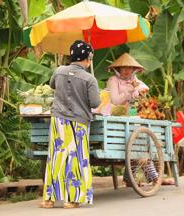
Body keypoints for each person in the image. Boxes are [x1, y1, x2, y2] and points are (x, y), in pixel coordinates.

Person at [41, 40, 101, 209]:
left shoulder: (59, 71)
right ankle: (73, 199)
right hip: (79, 122)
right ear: (87, 59)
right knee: (77, 158)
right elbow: (95, 102)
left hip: (58, 120)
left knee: (56, 157)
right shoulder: (90, 79)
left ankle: (49, 199)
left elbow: (52, 85)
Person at [106, 53, 174, 186]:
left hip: (133, 119)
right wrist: (130, 91)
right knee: (139, 145)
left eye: (130, 68)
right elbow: (115, 100)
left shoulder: (135, 80)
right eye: (123, 68)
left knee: (146, 140)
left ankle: (129, 179)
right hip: (117, 119)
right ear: (118, 69)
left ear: (134, 69)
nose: (126, 70)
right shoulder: (113, 80)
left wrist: (138, 87)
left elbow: (145, 89)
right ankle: (155, 178)